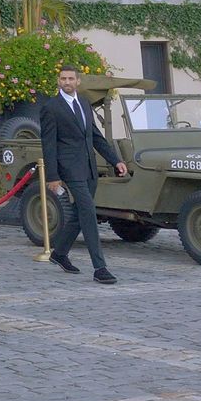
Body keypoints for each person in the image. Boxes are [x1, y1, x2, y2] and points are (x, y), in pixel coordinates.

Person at [39, 63, 130, 284]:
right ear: (58, 81)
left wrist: (116, 160)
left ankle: (59, 254)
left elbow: (95, 136)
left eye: (71, 79)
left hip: (89, 167)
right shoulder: (51, 107)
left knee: (78, 214)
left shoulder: (84, 103)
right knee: (88, 212)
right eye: (63, 79)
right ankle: (100, 268)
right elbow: (48, 145)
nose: (67, 82)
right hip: (69, 169)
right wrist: (52, 176)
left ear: (78, 81)